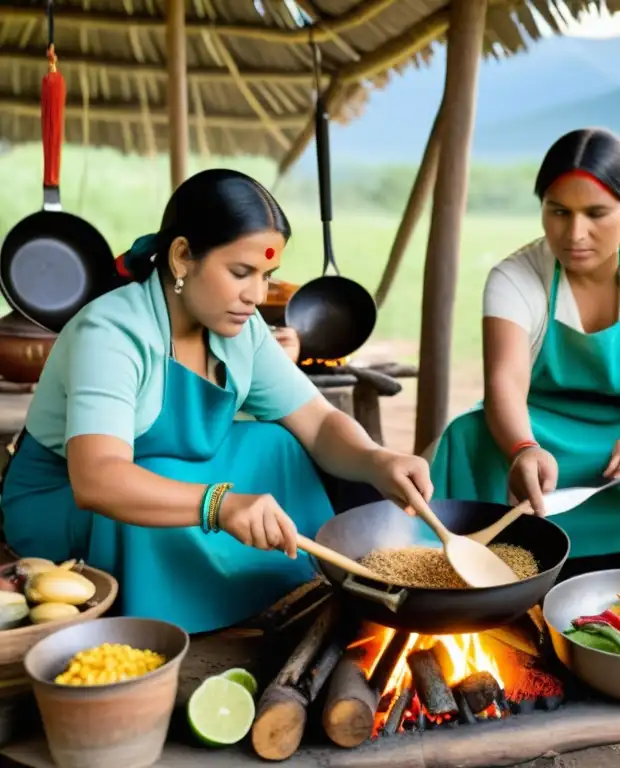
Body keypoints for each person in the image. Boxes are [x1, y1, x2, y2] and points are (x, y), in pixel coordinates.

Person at [0, 169, 433, 634]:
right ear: (183, 256)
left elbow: (320, 423)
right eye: (240, 273)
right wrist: (219, 506)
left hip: (173, 473)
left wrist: (376, 459)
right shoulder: (111, 333)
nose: (256, 296)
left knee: (276, 444)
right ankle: (192, 607)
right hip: (70, 503)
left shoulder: (240, 330)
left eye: (267, 275)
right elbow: (97, 479)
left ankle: (295, 586)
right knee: (161, 475)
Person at [430, 128, 620, 562]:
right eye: (559, 212)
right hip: (535, 432)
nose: (575, 233)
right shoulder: (515, 276)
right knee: (469, 433)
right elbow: (504, 384)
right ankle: (479, 551)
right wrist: (523, 448)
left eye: (596, 213)